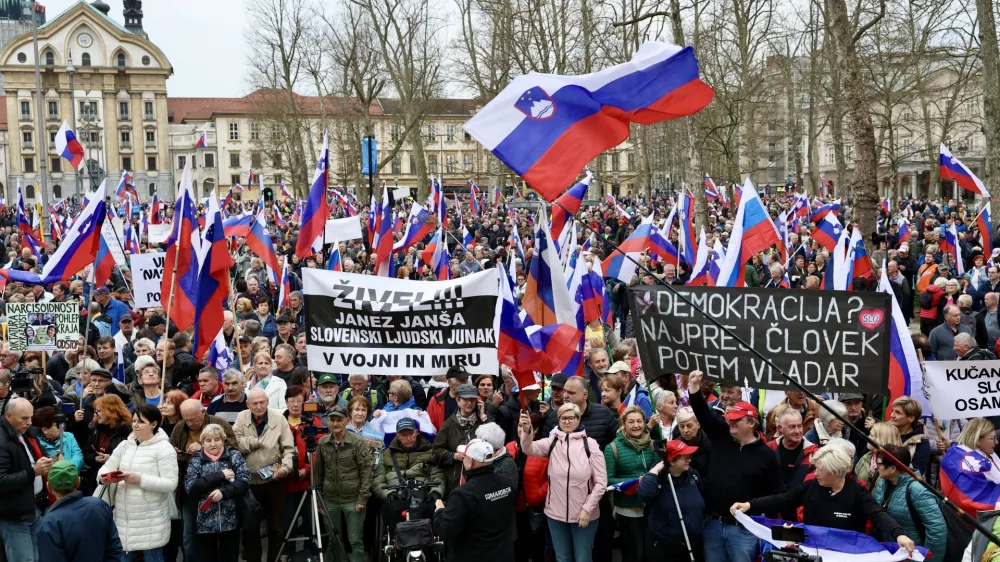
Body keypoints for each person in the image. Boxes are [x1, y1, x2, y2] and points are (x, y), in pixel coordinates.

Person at [731, 444, 916, 555]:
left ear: (835, 471)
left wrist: (898, 534)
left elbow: (877, 514)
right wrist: (750, 504)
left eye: (820, 469)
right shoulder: (811, 486)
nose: (815, 473)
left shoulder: (857, 491)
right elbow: (782, 499)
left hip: (845, 555)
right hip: (814, 554)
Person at [686, 370, 782, 562]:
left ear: (751, 423)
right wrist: (694, 388)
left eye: (737, 420)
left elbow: (776, 493)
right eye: (730, 419)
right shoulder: (722, 436)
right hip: (713, 523)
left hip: (745, 529)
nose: (731, 422)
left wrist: (762, 525)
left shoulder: (767, 455)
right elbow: (703, 414)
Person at [518, 404, 608, 562]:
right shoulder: (552, 442)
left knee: (583, 558)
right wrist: (527, 432)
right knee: (562, 558)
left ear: (578, 419)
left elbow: (601, 483)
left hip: (583, 515)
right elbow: (528, 449)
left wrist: (587, 509)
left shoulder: (590, 445)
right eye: (563, 418)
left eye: (571, 418)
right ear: (558, 420)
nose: (567, 422)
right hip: (555, 514)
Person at [98, 403, 179, 562]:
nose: (135, 425)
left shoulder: (164, 448)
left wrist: (140, 479)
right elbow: (106, 467)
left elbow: (170, 483)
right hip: (123, 516)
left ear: (154, 424)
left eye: (140, 422)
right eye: (134, 421)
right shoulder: (125, 445)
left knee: (153, 559)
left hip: (151, 519)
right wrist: (104, 478)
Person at [232, 388, 296, 562]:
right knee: (250, 529)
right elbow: (235, 442)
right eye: (255, 403)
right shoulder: (242, 417)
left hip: (274, 482)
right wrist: (256, 442)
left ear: (267, 402)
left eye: (262, 402)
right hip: (249, 482)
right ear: (248, 404)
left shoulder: (279, 419)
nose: (259, 406)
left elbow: (289, 450)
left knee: (277, 528)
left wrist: (284, 469)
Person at [432, 438, 517, 562]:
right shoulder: (507, 484)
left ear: (470, 462)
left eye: (465, 457)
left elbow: (445, 530)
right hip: (503, 555)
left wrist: (439, 510)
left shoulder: (462, 495)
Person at [183, 423, 251, 562]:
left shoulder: (234, 456)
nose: (213, 444)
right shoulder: (196, 460)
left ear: (223, 440)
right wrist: (220, 475)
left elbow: (244, 480)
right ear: (202, 443)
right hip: (204, 522)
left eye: (217, 439)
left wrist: (223, 492)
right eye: (208, 441)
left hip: (231, 519)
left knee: (230, 557)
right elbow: (191, 486)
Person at [314, 405, 373, 562]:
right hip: (330, 499)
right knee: (333, 540)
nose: (335, 423)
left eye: (339, 419)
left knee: (355, 541)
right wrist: (319, 500)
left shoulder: (357, 442)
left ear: (346, 421)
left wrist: (363, 498)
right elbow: (318, 473)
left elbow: (366, 472)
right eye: (332, 420)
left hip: (353, 499)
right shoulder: (323, 443)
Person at [37, 460, 125, 562]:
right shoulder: (100, 505)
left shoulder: (49, 523)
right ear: (78, 482)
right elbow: (114, 549)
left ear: (49, 487)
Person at [872, 444, 947, 559]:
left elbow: (937, 531)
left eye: (879, 464)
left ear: (892, 469)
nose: (877, 467)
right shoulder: (882, 483)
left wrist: (927, 560)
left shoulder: (917, 489)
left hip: (911, 556)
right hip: (888, 553)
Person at [0, 397, 51, 562]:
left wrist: (49, 461)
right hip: (13, 515)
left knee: (38, 558)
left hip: (33, 509)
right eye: (24, 418)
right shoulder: (2, 441)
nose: (29, 422)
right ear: (9, 416)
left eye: (30, 417)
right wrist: (33, 472)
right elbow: (2, 481)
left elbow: (40, 457)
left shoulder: (27, 434)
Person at [638, 440, 706, 562]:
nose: (689, 460)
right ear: (672, 461)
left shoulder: (692, 474)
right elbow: (644, 494)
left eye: (689, 457)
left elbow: (702, 495)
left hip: (693, 542)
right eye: (685, 458)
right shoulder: (657, 479)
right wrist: (655, 470)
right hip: (665, 546)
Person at [604, 406, 657, 562]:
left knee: (650, 553)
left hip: (651, 508)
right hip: (628, 509)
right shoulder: (613, 448)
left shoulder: (652, 445)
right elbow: (608, 479)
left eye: (640, 421)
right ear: (624, 424)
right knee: (636, 553)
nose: (636, 426)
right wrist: (633, 482)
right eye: (631, 422)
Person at [373, 417, 445, 529]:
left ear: (417, 432)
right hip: (396, 494)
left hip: (423, 493)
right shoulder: (386, 453)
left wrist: (436, 492)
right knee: (393, 508)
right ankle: (396, 540)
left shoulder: (430, 451)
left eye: (411, 433)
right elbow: (378, 481)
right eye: (404, 435)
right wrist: (388, 494)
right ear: (397, 435)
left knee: (431, 507)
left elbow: (438, 476)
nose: (408, 438)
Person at [432, 382, 489, 496]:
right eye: (465, 399)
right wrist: (454, 456)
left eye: (472, 400)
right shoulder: (448, 425)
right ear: (458, 400)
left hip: (480, 478)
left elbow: (495, 445)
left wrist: (483, 418)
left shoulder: (484, 422)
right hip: (455, 480)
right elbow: (436, 451)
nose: (469, 403)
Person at [80, 394, 133, 496]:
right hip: (97, 479)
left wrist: (111, 458)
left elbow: (131, 456)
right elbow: (87, 451)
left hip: (118, 482)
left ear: (111, 411)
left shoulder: (127, 431)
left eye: (98, 411)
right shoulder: (95, 429)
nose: (95, 414)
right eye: (95, 411)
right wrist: (95, 458)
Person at [767, 407, 818, 492]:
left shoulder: (814, 453)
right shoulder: (769, 449)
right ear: (780, 428)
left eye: (799, 426)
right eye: (792, 427)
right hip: (773, 502)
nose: (797, 431)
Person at [888, 396, 931, 476]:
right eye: (892, 411)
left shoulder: (921, 441)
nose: (892, 415)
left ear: (911, 418)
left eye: (898, 412)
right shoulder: (884, 431)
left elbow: (917, 471)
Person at [32, 406, 84, 471]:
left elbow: (79, 458)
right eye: (57, 425)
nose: (62, 426)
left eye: (62, 423)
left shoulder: (69, 436)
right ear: (45, 430)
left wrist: (65, 467)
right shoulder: (35, 445)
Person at [856, 422, 903, 490]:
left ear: (881, 439)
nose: (868, 437)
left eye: (871, 435)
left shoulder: (898, 464)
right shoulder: (866, 457)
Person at [673, 406, 711, 479]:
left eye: (689, 426)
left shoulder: (709, 441)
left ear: (698, 424)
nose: (685, 430)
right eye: (681, 426)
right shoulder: (676, 444)